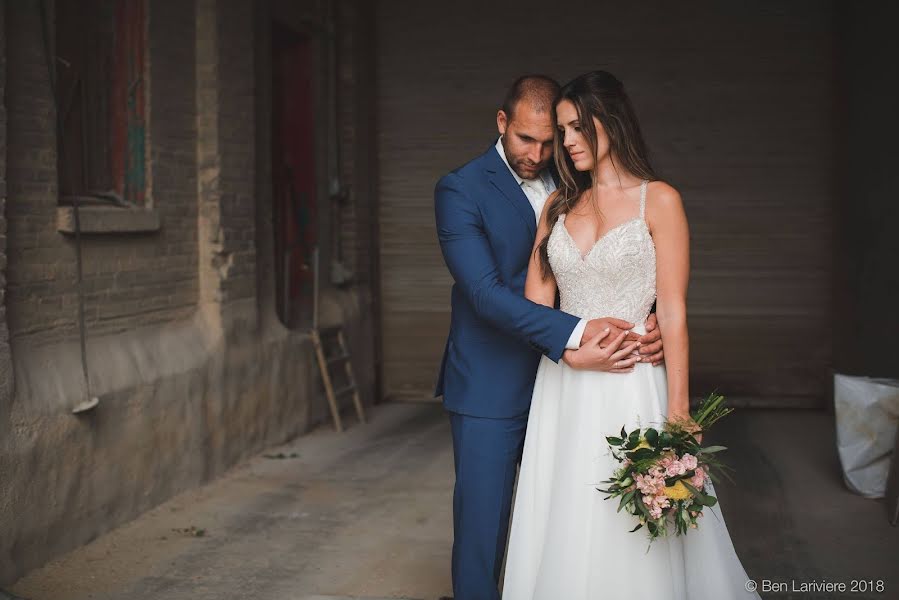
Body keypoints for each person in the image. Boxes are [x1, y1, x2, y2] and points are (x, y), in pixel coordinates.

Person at [501, 70, 760, 599]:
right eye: (562, 130)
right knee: (565, 514)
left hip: (633, 386)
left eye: (576, 128)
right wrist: (570, 351)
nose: (566, 142)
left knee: (639, 525)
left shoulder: (659, 200)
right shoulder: (556, 207)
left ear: (609, 123)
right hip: (564, 386)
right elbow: (533, 306)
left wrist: (681, 414)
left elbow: (674, 312)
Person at [434, 75, 665, 600]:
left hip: (576, 390)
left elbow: (617, 258)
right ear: (501, 123)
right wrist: (579, 333)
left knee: (576, 522)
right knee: (482, 533)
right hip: (493, 384)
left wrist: (644, 320)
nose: (538, 153)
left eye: (550, 140)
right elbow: (486, 294)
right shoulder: (460, 188)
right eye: (525, 140)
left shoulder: (577, 180)